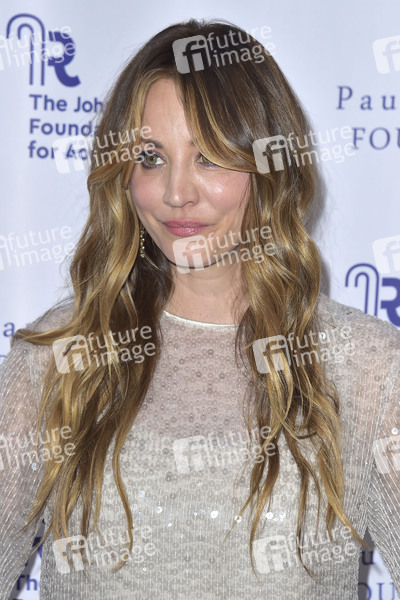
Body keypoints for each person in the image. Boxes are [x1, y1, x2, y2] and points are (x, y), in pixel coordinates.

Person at [0, 18, 399, 600]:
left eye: (209, 157)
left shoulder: (365, 369)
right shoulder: (60, 358)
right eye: (150, 157)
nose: (176, 193)